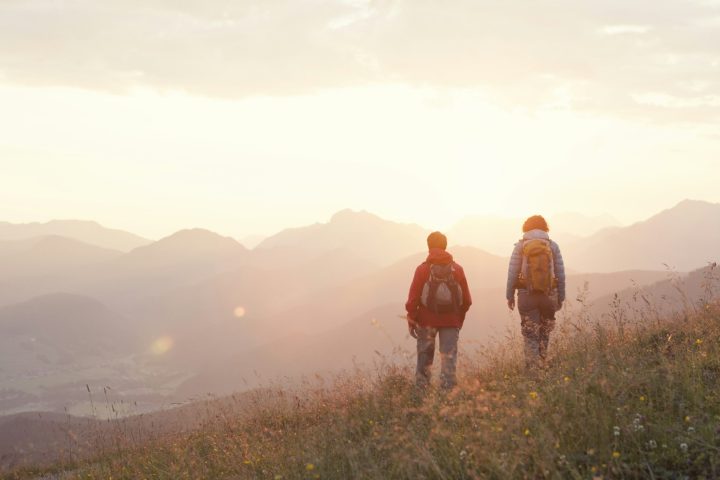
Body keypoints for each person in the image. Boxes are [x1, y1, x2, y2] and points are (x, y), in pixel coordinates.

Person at [405, 231, 472, 389]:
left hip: (426, 321)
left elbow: (413, 299)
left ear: (429, 248)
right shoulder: (458, 269)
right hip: (451, 321)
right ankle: (448, 399)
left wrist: (412, 319)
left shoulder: (422, 270)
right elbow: (467, 300)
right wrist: (458, 320)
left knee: (424, 361)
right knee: (448, 362)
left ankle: (421, 398)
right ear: (445, 246)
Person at [506, 215, 566, 369]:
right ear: (545, 228)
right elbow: (560, 273)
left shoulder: (520, 247)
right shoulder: (553, 246)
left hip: (526, 295)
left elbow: (512, 272)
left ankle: (532, 373)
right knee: (545, 333)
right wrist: (561, 296)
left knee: (530, 335)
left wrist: (509, 295)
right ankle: (542, 365)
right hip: (549, 295)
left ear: (526, 228)